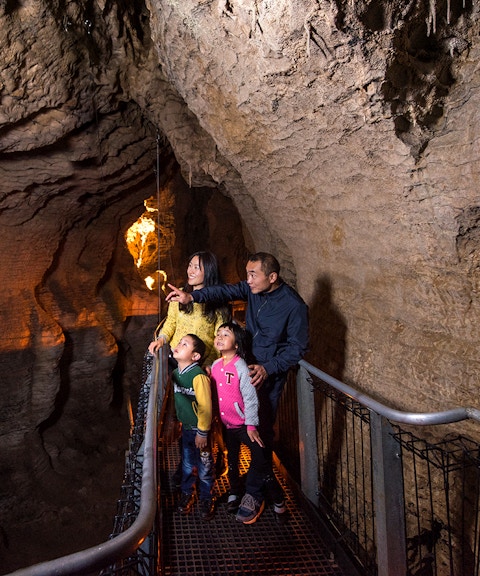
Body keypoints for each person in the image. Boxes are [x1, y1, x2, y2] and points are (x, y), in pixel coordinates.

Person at [166, 252, 309, 521]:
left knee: (259, 435)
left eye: (253, 274)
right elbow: (224, 290)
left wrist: (269, 368)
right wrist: (191, 297)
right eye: (247, 274)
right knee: (236, 431)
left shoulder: (294, 306)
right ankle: (265, 491)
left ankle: (253, 493)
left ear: (272, 277)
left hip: (265, 377)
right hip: (242, 367)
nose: (248, 280)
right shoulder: (252, 289)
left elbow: (298, 348)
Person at [148, 250, 230, 480]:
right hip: (179, 363)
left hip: (204, 367)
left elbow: (221, 337)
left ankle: (218, 453)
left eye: (197, 267)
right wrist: (161, 340)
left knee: (207, 414)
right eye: (190, 265)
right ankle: (188, 465)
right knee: (184, 414)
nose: (190, 270)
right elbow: (170, 324)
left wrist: (212, 364)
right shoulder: (180, 296)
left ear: (209, 272)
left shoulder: (217, 303)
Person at [211, 321, 268, 524]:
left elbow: (251, 398)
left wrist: (251, 425)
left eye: (226, 334)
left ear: (236, 345)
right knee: (232, 460)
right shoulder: (216, 366)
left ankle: (252, 493)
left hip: (243, 424)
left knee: (259, 454)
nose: (219, 337)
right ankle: (235, 490)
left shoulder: (240, 366)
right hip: (227, 425)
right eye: (218, 334)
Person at [171, 334, 215, 521]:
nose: (179, 345)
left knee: (204, 466)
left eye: (185, 344)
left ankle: (206, 498)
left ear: (195, 356)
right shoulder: (175, 374)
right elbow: (177, 402)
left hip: (200, 431)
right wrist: (175, 421)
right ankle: (187, 493)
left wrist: (203, 432)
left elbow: (206, 406)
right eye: (180, 342)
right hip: (186, 428)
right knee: (188, 464)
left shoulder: (198, 377)